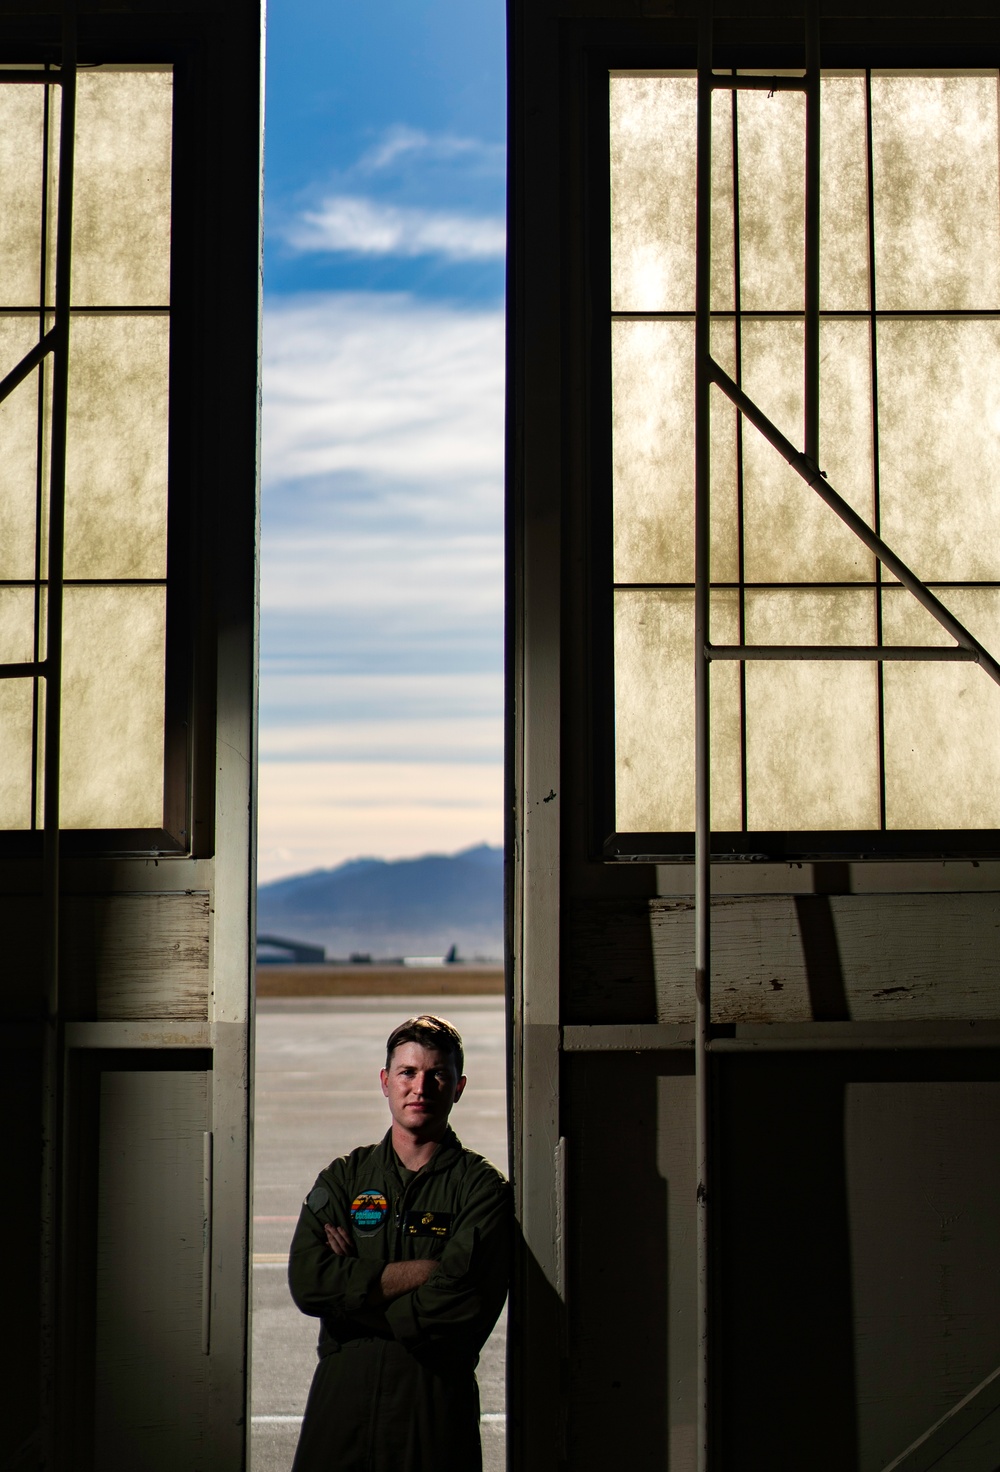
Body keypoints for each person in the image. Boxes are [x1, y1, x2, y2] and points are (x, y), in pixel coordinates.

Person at [288, 1013, 512, 1472]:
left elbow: (459, 1307)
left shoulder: (482, 1189)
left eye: (438, 1075)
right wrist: (426, 1271)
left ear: (459, 1087)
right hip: (341, 1408)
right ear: (385, 1081)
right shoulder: (345, 1176)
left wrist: (353, 1297)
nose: (421, 1087)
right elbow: (310, 1282)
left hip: (429, 1412)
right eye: (408, 1073)